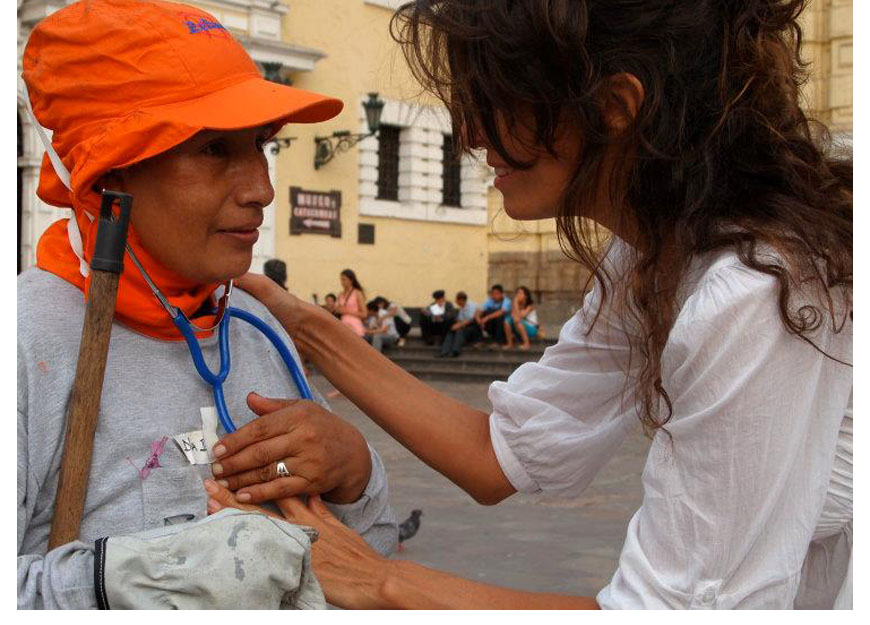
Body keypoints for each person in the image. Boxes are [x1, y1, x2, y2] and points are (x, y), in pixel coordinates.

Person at [205, 0, 851, 610]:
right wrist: (301, 324)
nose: (469, 133)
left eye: (496, 101)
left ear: (614, 107)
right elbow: (495, 454)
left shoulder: (757, 288)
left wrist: (377, 580)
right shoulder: (656, 251)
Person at [17, 0, 396, 610]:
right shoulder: (25, 340)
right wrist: (111, 581)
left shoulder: (256, 328)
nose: (261, 189)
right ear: (109, 175)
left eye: (261, 146)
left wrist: (356, 475)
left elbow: (369, 566)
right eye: (216, 150)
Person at [439, 291, 480, 357]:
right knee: (451, 330)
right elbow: (460, 319)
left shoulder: (471, 305)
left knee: (459, 331)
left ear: (461, 300)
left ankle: (455, 351)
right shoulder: (462, 307)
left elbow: (471, 319)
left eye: (456, 300)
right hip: (464, 326)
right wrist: (456, 324)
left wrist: (459, 325)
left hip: (473, 327)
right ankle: (444, 351)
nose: (455, 301)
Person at [336, 269, 367, 337]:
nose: (342, 282)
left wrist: (347, 311)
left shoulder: (357, 293)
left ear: (351, 280)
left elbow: (364, 314)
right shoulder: (340, 294)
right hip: (344, 326)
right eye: (341, 280)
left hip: (355, 327)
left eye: (344, 279)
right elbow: (337, 309)